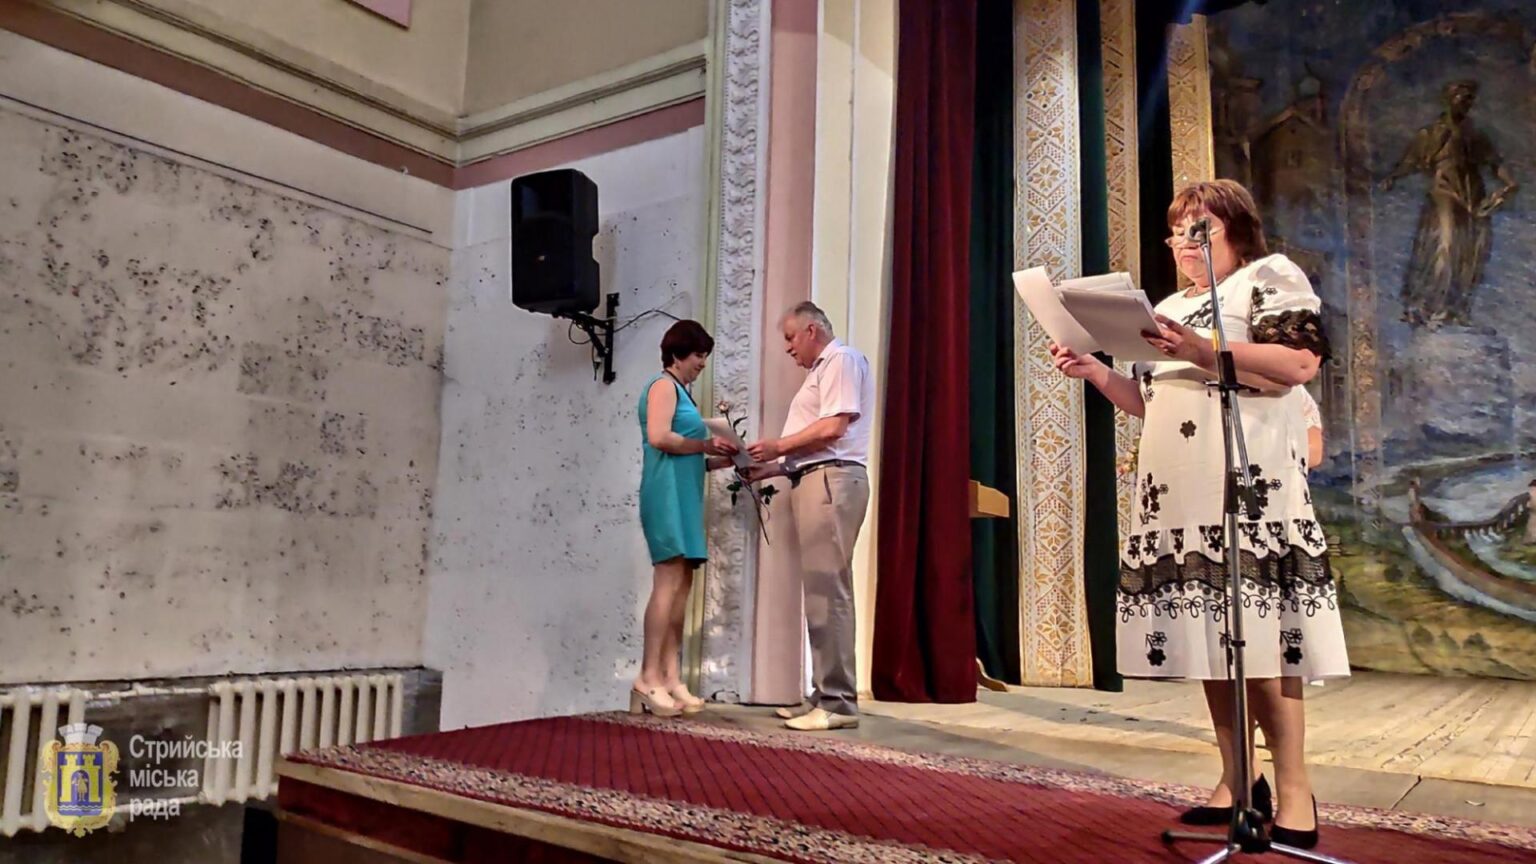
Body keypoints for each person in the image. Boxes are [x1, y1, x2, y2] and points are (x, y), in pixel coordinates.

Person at [1049, 179, 1347, 850]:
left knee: (1265, 641)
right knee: (1213, 640)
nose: (1185, 244)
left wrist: (1201, 350)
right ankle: (1239, 779)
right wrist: (1096, 372)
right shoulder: (1170, 306)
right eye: (1177, 233)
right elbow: (1152, 400)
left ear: (1235, 229)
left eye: (1199, 229)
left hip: (1248, 487)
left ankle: (1294, 787)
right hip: (1178, 494)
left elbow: (1299, 362)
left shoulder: (1268, 278)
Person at [745, 302, 874, 731]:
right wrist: (766, 468)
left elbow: (834, 428)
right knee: (820, 591)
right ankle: (824, 695)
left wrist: (778, 447)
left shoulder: (840, 360)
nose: (787, 348)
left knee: (828, 591)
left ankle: (838, 703)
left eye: (790, 337)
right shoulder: (822, 370)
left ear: (812, 330)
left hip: (831, 481)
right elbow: (814, 445)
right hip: (818, 478)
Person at [633, 320, 737, 718]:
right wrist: (705, 444)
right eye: (698, 355)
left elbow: (686, 454)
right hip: (665, 496)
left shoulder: (684, 394)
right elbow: (660, 437)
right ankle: (648, 677)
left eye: (705, 356)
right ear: (677, 354)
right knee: (667, 582)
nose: (702, 363)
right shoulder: (662, 386)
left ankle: (671, 676)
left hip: (684, 495)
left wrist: (718, 460)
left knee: (682, 586)